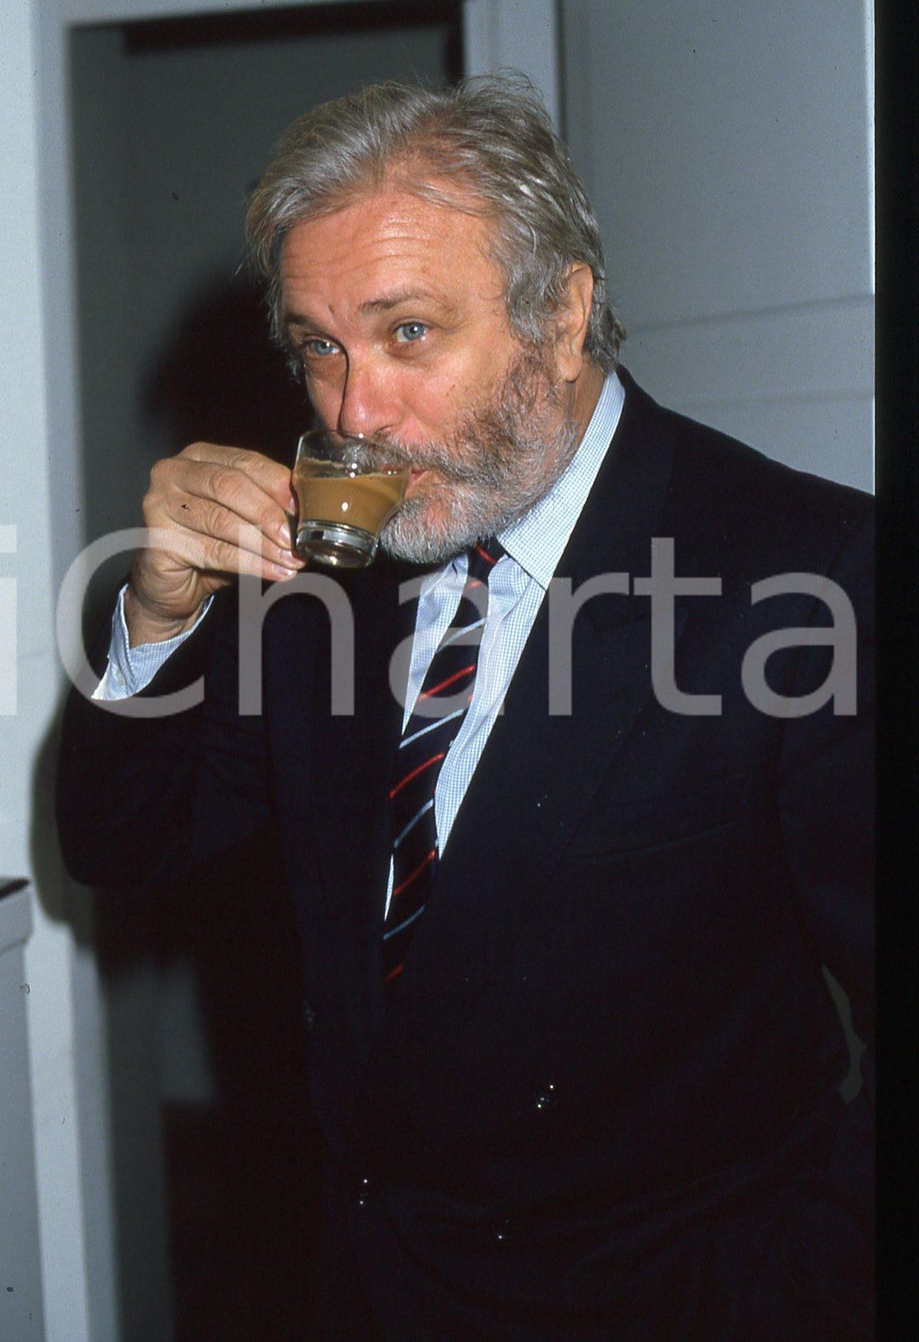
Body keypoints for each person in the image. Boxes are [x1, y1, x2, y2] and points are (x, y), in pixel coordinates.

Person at [57, 74, 874, 1339]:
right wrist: (158, 613)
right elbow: (125, 843)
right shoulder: (318, 568)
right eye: (318, 345)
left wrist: (805, 1298)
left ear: (560, 312)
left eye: (407, 334)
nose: (350, 414)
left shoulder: (810, 571)